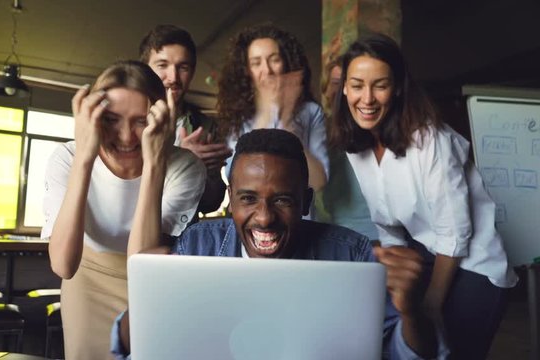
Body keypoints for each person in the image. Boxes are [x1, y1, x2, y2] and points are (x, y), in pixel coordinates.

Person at [111, 129, 447, 360]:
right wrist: (146, 299)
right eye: (248, 199)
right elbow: (132, 350)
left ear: (305, 201)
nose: (264, 217)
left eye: (283, 200)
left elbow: (408, 355)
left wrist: (411, 311)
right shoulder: (198, 246)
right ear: (231, 200)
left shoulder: (352, 256)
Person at [330, 33, 518, 360]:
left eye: (380, 85)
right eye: (357, 84)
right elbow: (388, 227)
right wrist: (394, 288)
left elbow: (456, 233)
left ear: (399, 87)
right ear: (344, 87)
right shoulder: (355, 147)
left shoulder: (430, 141)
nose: (367, 98)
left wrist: (430, 303)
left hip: (475, 264)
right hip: (429, 256)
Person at [41, 60, 206, 360]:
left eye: (141, 120)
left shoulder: (185, 168)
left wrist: (155, 162)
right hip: (86, 279)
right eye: (112, 119)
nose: (126, 136)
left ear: (162, 120)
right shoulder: (67, 158)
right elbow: (64, 265)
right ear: (94, 118)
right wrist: (85, 157)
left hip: (150, 285)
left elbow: (139, 264)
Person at [216, 23, 329, 194]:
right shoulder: (236, 116)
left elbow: (319, 182)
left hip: (299, 219)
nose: (267, 70)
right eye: (256, 63)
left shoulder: (311, 112)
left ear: (286, 63)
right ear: (247, 70)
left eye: (274, 59)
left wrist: (288, 122)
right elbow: (236, 180)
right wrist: (265, 114)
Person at [139, 24, 231, 214]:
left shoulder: (205, 126)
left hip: (180, 237)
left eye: (183, 67)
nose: (173, 77)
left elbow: (210, 204)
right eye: (162, 65)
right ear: (144, 69)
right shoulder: (126, 118)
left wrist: (206, 175)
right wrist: (183, 159)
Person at [315, 56, 378, 240]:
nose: (343, 90)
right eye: (336, 83)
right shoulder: (320, 129)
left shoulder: (373, 127)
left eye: (350, 83)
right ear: (325, 91)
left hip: (378, 234)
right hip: (338, 232)